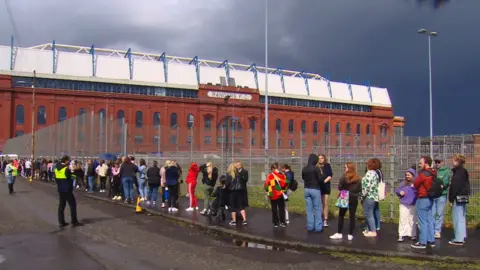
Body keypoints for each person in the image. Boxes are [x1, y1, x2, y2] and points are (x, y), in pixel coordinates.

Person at [330, 162, 362, 241]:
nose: (345, 169)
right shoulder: (358, 178)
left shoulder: (344, 177)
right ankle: (350, 234)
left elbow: (340, 187)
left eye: (346, 167)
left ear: (349, 168)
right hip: (354, 197)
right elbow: (359, 189)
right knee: (352, 216)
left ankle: (339, 233)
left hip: (344, 195)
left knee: (341, 215)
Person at [411, 156, 437, 249]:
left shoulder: (423, 174)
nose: (419, 165)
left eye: (420, 163)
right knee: (429, 220)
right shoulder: (433, 173)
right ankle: (431, 240)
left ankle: (422, 242)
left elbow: (416, 184)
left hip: (422, 198)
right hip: (430, 198)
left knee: (422, 221)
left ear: (426, 164)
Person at [448, 155, 470, 246]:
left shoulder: (457, 173)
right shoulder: (464, 171)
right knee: (461, 217)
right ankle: (462, 236)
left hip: (457, 197)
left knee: (457, 218)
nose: (452, 162)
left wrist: (451, 199)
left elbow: (454, 187)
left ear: (458, 161)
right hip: (464, 197)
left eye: (453, 160)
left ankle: (458, 239)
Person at [55, 156, 82, 228]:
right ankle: (74, 221)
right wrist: (75, 173)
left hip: (60, 189)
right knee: (72, 205)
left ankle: (61, 221)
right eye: (69, 161)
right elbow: (71, 179)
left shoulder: (56, 169)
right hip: (67, 189)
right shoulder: (66, 169)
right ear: (66, 161)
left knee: (61, 205)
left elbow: (56, 179)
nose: (69, 162)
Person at [302, 154, 325, 232]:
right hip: (315, 189)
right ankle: (318, 227)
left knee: (309, 209)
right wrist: (321, 173)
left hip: (306, 189)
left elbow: (303, 177)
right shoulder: (316, 169)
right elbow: (321, 179)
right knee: (318, 208)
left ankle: (310, 226)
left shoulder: (304, 168)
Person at [396, 167, 417, 242]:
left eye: (409, 175)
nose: (407, 176)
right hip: (404, 203)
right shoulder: (403, 183)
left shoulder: (415, 184)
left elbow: (417, 192)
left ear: (413, 175)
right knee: (403, 219)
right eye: (406, 175)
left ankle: (412, 234)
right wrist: (400, 192)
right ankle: (401, 234)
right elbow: (397, 190)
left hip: (412, 203)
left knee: (412, 219)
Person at [264, 162, 288, 228]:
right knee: (281, 208)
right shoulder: (282, 175)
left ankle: (275, 222)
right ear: (278, 168)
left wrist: (269, 192)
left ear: (272, 168)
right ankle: (282, 222)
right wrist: (283, 190)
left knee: (274, 209)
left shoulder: (270, 176)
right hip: (280, 194)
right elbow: (285, 183)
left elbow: (266, 185)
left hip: (273, 195)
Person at [361, 158, 381, 237]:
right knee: (370, 213)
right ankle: (369, 229)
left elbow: (366, 187)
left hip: (368, 197)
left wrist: (362, 196)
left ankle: (373, 231)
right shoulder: (375, 173)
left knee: (368, 214)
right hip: (374, 196)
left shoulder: (369, 174)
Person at [432, 156, 450, 239]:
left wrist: (439, 185)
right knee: (432, 214)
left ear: (443, 162)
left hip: (442, 195)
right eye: (436, 162)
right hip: (433, 195)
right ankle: (431, 230)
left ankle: (437, 231)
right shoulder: (433, 171)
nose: (437, 163)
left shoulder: (446, 171)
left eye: (438, 162)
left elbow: (445, 183)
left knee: (439, 214)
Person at [318, 154, 333, 227]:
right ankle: (319, 219)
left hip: (326, 187)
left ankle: (325, 220)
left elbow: (330, 176)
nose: (320, 159)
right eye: (319, 158)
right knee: (319, 203)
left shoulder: (327, 166)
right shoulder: (316, 166)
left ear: (324, 159)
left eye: (322, 158)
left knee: (325, 203)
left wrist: (323, 181)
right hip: (318, 187)